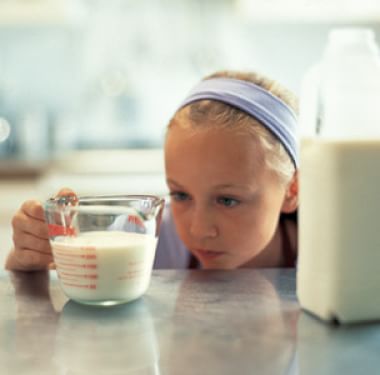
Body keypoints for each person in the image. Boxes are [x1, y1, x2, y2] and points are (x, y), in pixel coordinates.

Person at [5, 70, 299, 271]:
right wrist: (31, 257)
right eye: (181, 195)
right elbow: (60, 277)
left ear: (292, 190)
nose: (198, 229)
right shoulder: (152, 238)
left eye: (227, 200)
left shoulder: (329, 259)